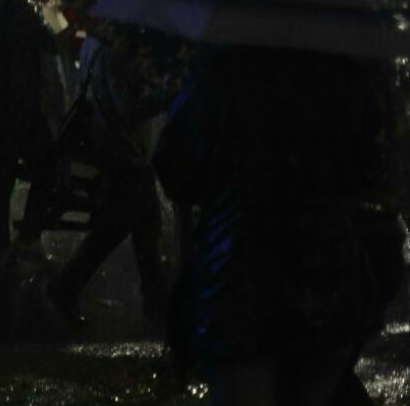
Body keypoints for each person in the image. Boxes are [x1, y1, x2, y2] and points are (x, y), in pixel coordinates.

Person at [154, 47, 404, 405]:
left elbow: (177, 169)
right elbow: (367, 167)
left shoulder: (224, 66)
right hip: (326, 270)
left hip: (240, 272)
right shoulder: (345, 66)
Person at [44, 32, 169, 327]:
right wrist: (165, 97)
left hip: (114, 147)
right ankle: (65, 285)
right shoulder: (114, 55)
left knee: (145, 226)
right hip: (124, 151)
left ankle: (156, 307)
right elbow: (127, 108)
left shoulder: (92, 44)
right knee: (119, 226)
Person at [0, 0, 59, 335]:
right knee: (49, 166)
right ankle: (28, 236)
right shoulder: (28, 14)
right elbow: (51, 45)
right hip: (22, 107)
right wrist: (52, 13)